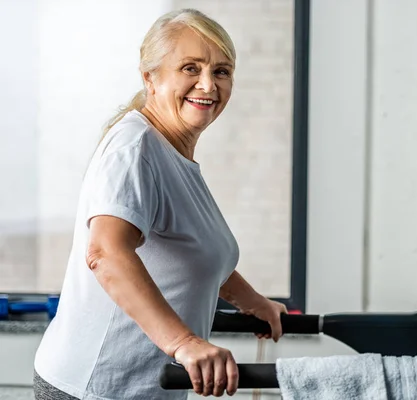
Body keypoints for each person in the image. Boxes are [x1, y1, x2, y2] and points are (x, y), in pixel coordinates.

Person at [33, 8, 287, 400]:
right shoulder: (135, 148)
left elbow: (191, 255)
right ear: (150, 76)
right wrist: (184, 342)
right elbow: (106, 252)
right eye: (190, 68)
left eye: (221, 71)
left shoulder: (172, 155)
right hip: (94, 389)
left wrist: (253, 303)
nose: (208, 84)